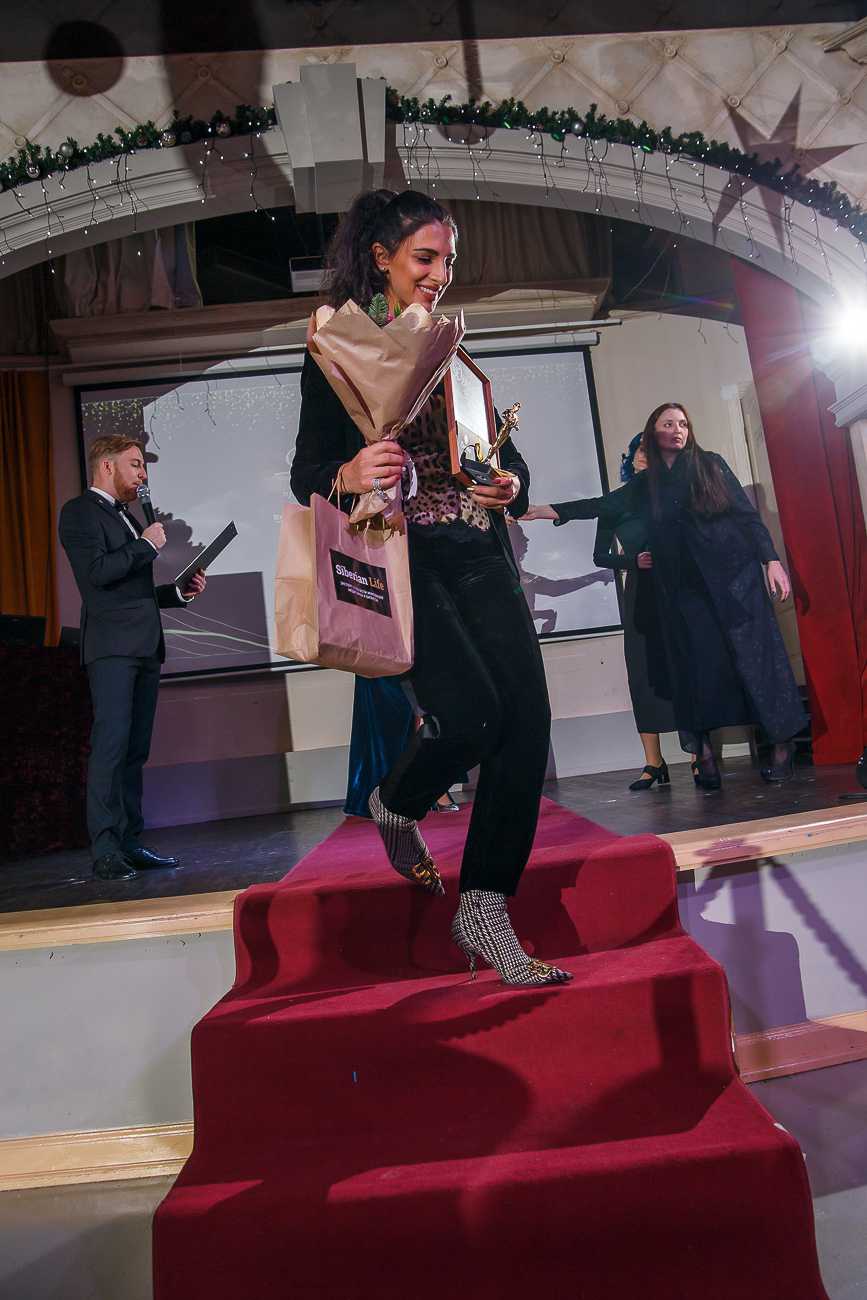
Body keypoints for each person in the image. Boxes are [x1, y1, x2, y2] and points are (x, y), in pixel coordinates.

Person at [291, 188, 569, 986]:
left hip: (478, 550)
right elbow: (307, 472)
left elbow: (499, 458)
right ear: (381, 257)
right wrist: (349, 471)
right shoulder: (337, 345)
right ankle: (395, 801)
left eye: (447, 260)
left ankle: (483, 906)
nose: (440, 274)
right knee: (473, 715)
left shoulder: (452, 351)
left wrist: (509, 483)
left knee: (527, 723)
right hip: (400, 555)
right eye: (425, 258)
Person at [531, 404, 804, 790]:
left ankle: (781, 746)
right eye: (668, 424)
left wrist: (771, 560)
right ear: (652, 433)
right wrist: (541, 510)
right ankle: (703, 755)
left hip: (734, 581)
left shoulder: (711, 464)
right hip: (685, 590)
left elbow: (746, 516)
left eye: (683, 424)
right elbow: (602, 505)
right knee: (695, 668)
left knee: (755, 660)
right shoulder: (647, 484)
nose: (678, 429)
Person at [59, 436, 206, 880]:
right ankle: (105, 849)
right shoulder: (80, 512)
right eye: (136, 465)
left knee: (134, 750)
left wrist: (177, 592)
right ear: (107, 467)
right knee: (111, 746)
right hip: (111, 650)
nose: (143, 475)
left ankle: (129, 842)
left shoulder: (125, 516)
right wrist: (145, 545)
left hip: (143, 646)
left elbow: (131, 591)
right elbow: (97, 576)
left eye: (143, 466)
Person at [525, 432, 681, 791]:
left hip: (677, 589)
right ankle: (653, 763)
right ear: (631, 459)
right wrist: (632, 561)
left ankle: (698, 756)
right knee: (642, 675)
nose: (645, 456)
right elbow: (600, 553)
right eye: (640, 450)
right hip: (641, 593)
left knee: (682, 668)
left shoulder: (674, 494)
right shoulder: (618, 501)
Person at [343, 676, 462, 818]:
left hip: (405, 666)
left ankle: (424, 792)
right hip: (379, 671)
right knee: (386, 730)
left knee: (419, 714)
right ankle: (386, 798)